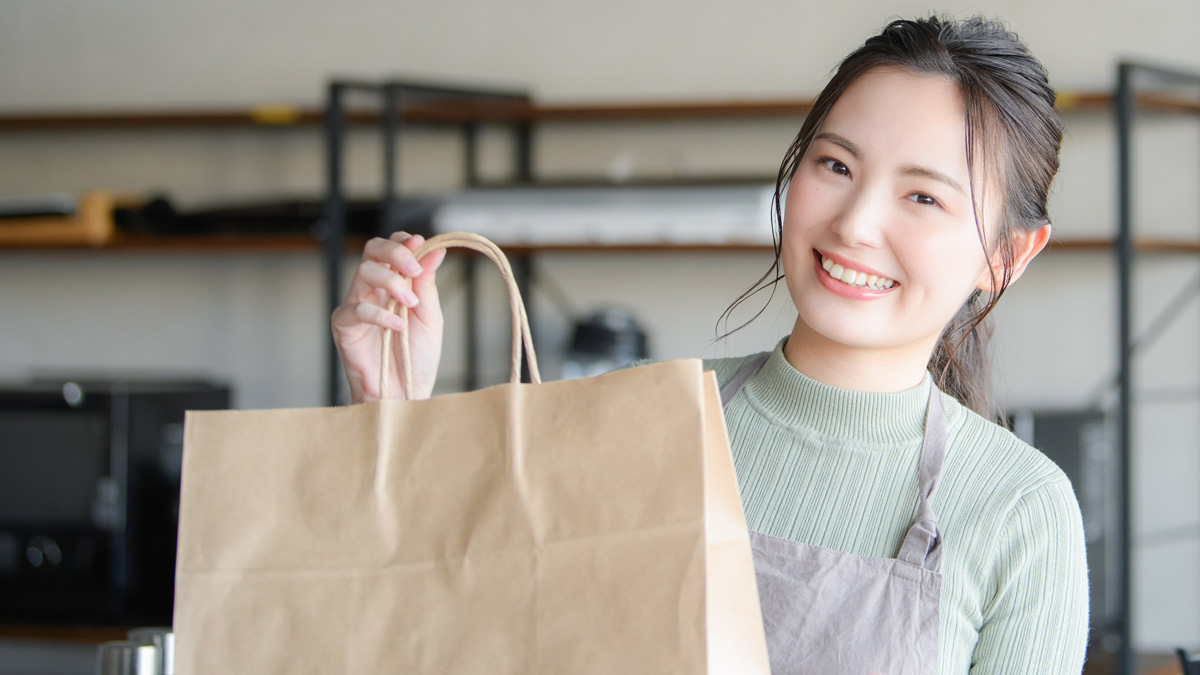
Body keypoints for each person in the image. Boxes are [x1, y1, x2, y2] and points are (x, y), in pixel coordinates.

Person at [331, 15, 1089, 675]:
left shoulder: (1021, 511)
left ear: (1010, 256)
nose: (855, 223)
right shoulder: (645, 415)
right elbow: (449, 619)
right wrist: (392, 407)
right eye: (835, 165)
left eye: (922, 196)